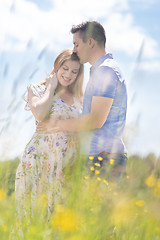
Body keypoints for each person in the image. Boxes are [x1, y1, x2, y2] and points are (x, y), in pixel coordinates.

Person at [37, 21, 128, 182]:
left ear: (91, 42)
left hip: (103, 158)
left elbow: (95, 120)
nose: (74, 50)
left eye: (77, 44)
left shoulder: (105, 71)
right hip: (99, 157)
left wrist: (55, 124)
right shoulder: (100, 71)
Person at [15, 49, 84, 217]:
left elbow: (82, 130)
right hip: (39, 160)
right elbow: (39, 114)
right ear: (57, 66)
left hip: (66, 163)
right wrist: (51, 86)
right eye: (65, 68)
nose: (69, 75)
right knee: (33, 215)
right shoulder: (37, 89)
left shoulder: (79, 99)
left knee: (58, 219)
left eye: (74, 71)